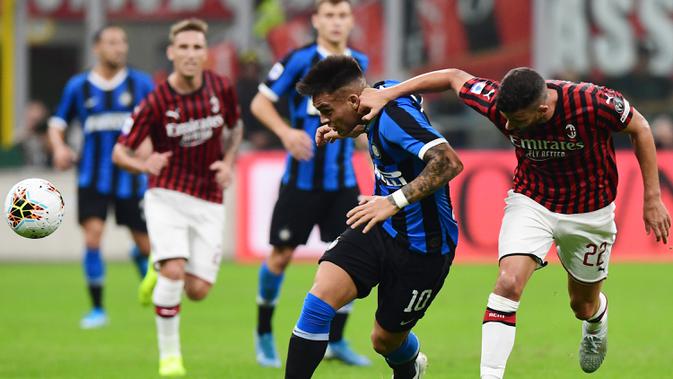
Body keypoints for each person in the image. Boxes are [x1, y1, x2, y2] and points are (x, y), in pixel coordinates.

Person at [357, 67, 672, 378]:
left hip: (590, 214)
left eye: (517, 120)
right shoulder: (499, 101)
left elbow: (640, 127)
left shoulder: (592, 102)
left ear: (543, 109)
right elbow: (453, 76)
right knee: (507, 284)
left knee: (582, 305)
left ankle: (596, 320)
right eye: (505, 117)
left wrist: (652, 198)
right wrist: (388, 94)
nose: (507, 125)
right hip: (532, 202)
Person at [284, 56, 463, 379]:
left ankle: (410, 367)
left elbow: (449, 162)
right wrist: (347, 129)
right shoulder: (382, 96)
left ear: (353, 100)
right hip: (380, 227)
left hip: (425, 247)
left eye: (327, 111)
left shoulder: (393, 115)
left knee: (384, 341)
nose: (324, 119)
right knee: (318, 301)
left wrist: (392, 201)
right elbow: (395, 109)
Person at [112, 18, 243, 377]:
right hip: (165, 192)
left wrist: (228, 162)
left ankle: (160, 266)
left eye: (197, 47)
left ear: (205, 53)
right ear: (171, 52)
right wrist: (144, 163)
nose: (190, 54)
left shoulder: (221, 88)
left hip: (209, 197)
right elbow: (119, 152)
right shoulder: (155, 101)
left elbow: (236, 126)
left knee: (198, 290)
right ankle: (170, 358)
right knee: (174, 270)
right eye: (182, 47)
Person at [249, 0, 370, 367]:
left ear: (350, 21)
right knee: (281, 256)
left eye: (342, 15)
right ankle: (265, 333)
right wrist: (286, 132)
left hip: (342, 182)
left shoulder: (358, 64)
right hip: (300, 182)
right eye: (329, 15)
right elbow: (260, 103)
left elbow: (363, 116)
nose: (336, 22)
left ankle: (337, 341)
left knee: (348, 261)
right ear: (316, 20)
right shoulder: (299, 59)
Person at [47, 25, 154, 329]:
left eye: (123, 42)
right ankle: (97, 310)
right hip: (92, 178)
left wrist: (149, 149)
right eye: (112, 42)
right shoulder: (78, 86)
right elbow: (57, 124)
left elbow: (156, 122)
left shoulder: (141, 83)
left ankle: (141, 261)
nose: (119, 48)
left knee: (146, 246)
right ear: (97, 48)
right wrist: (59, 148)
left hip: (131, 178)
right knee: (93, 237)